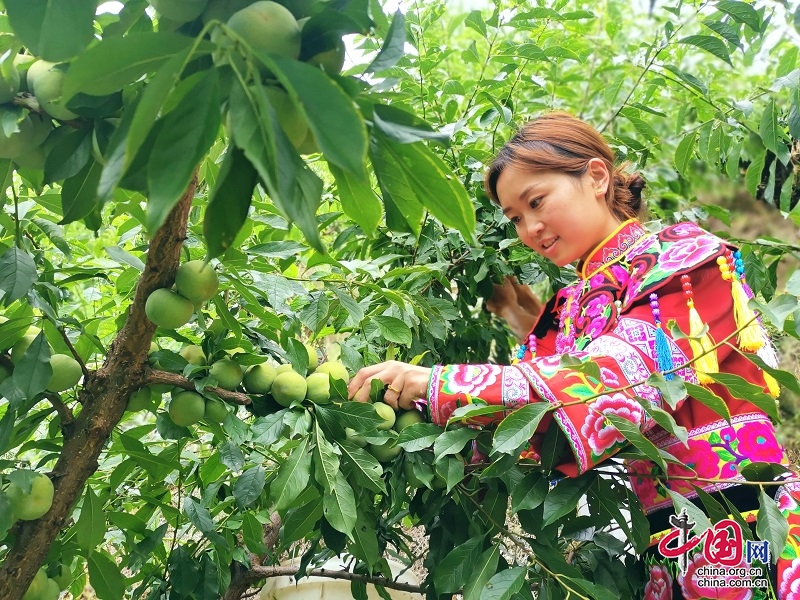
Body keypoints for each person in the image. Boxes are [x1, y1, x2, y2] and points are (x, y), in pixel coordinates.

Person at [347, 111, 800, 598]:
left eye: (537, 201)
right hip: (661, 534)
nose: (530, 228)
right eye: (516, 218)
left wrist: (437, 384)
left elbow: (617, 378)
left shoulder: (682, 256)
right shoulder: (568, 312)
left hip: (740, 515)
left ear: (597, 177)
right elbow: (524, 424)